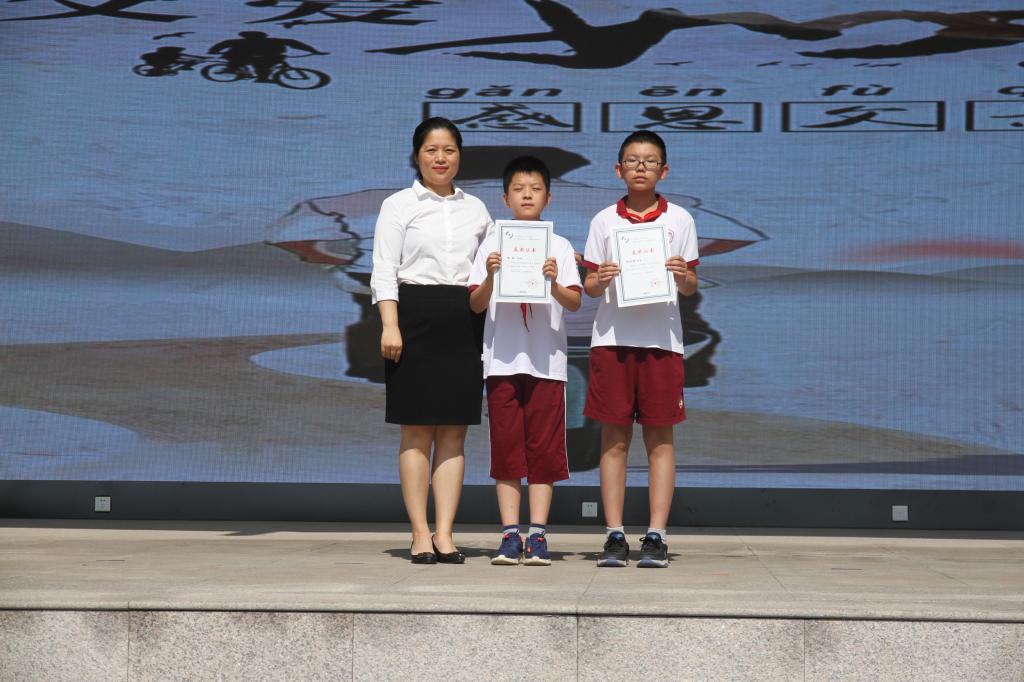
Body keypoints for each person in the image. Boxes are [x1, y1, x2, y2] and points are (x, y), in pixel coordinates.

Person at [370, 117, 492, 564]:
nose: (441, 158)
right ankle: (419, 533)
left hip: (466, 318)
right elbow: (384, 269)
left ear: (459, 155)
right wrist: (390, 324)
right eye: (431, 150)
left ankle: (445, 533)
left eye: (449, 150)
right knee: (417, 430)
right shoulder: (398, 205)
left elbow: (492, 268)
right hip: (413, 317)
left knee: (455, 431)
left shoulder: (477, 209)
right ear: (417, 155)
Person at [581, 131, 699, 568]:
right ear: (619, 170)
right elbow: (590, 286)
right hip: (612, 341)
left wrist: (683, 275)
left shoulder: (680, 220)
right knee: (613, 440)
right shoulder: (603, 221)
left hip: (661, 342)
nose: (641, 167)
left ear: (663, 171)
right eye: (632, 160)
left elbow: (690, 286)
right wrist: (600, 279)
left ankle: (656, 534)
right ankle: (614, 534)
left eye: (650, 161)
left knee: (660, 440)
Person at [468, 156, 582, 566]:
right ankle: (509, 535)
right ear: (505, 199)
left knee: (544, 450)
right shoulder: (491, 245)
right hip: (502, 361)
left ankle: (538, 534)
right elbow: (475, 303)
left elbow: (574, 301)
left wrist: (552, 282)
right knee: (506, 448)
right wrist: (491, 276)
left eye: (535, 189)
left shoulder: (560, 246)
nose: (527, 195)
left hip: (546, 362)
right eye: (518, 189)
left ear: (548, 198)